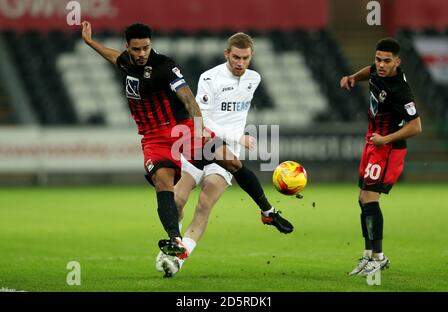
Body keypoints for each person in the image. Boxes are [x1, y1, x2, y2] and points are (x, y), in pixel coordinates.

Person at [81, 22, 293, 268]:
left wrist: (201, 129)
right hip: (153, 137)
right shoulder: (126, 61)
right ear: (127, 48)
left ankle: (267, 212)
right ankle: (174, 240)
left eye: (146, 48)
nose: (141, 54)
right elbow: (114, 57)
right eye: (136, 49)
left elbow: (188, 97)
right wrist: (90, 42)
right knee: (164, 184)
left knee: (232, 161)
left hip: (182, 130)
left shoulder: (165, 66)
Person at [156, 33, 276, 277]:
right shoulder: (210, 77)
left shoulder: (255, 78)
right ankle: (173, 240)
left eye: (245, 58)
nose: (240, 63)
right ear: (226, 54)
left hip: (229, 152)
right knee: (177, 200)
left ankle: (178, 259)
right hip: (203, 143)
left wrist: (234, 141)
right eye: (235, 57)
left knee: (204, 205)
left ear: (251, 56)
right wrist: (237, 136)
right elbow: (204, 119)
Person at [340, 38, 422, 276]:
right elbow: (371, 71)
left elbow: (416, 126)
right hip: (373, 141)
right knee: (362, 198)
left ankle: (379, 258)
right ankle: (368, 255)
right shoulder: (378, 69)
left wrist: (385, 140)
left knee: (369, 197)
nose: (381, 65)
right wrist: (354, 77)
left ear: (398, 61)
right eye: (378, 59)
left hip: (388, 147)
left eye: (387, 61)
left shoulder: (400, 91)